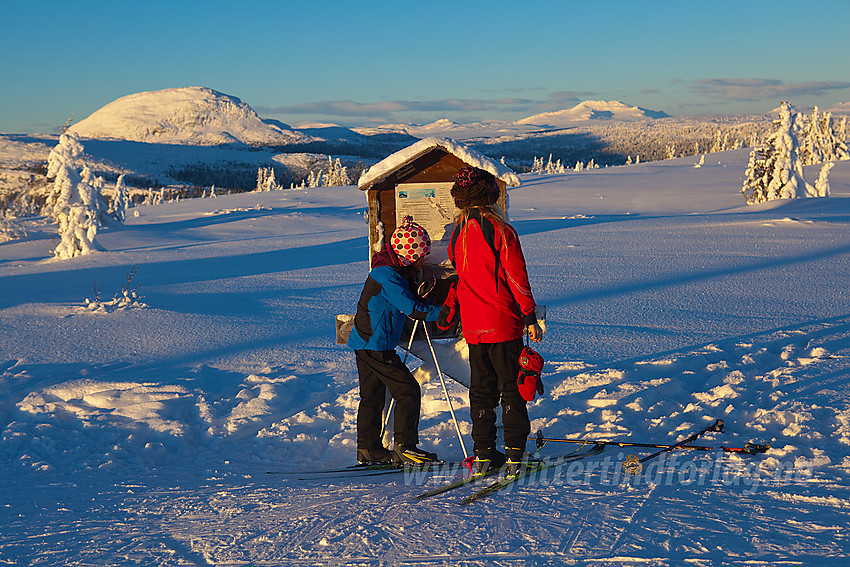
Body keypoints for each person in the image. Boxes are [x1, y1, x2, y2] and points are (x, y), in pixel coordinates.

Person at [446, 166, 543, 474]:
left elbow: (461, 276)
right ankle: (516, 454)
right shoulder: (501, 230)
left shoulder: (457, 233)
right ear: (491, 194)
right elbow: (517, 278)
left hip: (474, 325)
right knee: (512, 388)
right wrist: (529, 316)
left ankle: (485, 453)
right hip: (503, 321)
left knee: (482, 390)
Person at [348, 215, 443, 465]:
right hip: (376, 344)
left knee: (372, 397)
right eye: (421, 255)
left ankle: (368, 449)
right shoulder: (388, 275)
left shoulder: (389, 268)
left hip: (365, 342)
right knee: (408, 391)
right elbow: (412, 308)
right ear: (410, 255)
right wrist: (445, 312)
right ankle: (406, 447)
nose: (423, 260)